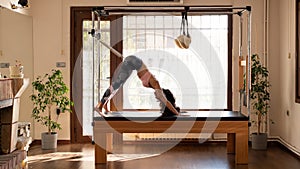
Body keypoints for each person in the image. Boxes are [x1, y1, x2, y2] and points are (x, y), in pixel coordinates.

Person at [95, 55, 179, 116]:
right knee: (116, 84)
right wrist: (176, 113)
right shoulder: (156, 84)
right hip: (133, 61)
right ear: (164, 96)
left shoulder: (155, 87)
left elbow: (166, 102)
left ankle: (104, 105)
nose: (157, 98)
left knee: (118, 85)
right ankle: (99, 106)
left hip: (133, 64)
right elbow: (167, 102)